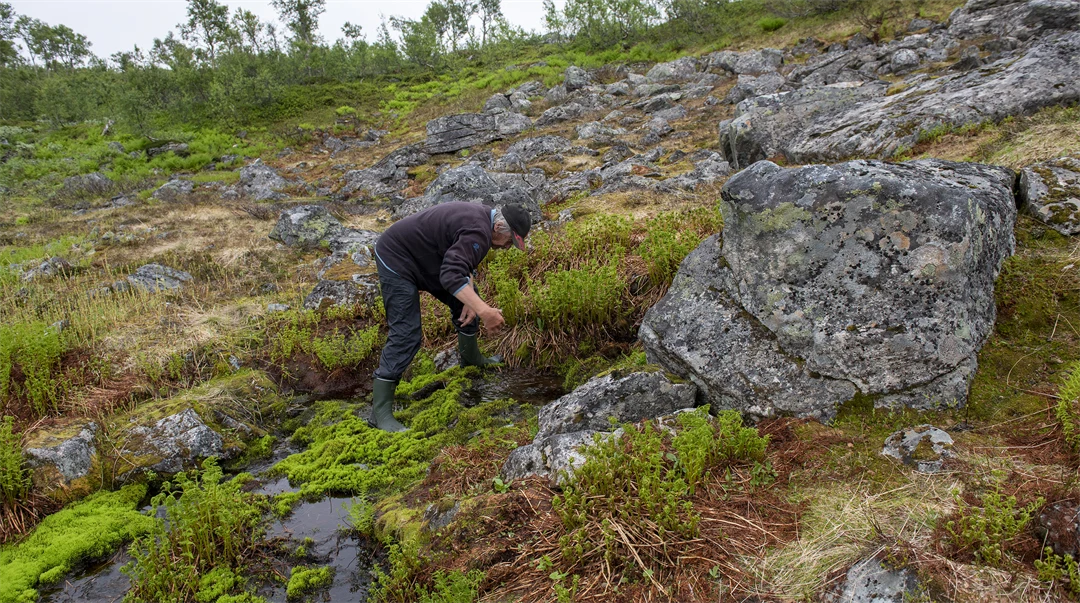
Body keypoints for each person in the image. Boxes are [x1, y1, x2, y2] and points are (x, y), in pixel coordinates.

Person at [370, 202, 532, 432]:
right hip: (396, 258)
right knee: (407, 333)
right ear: (498, 227)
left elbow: (462, 261)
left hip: (426, 257)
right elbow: (450, 275)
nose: (507, 247)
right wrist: (485, 311)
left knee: (468, 298)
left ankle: (471, 359)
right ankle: (381, 415)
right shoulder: (479, 230)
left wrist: (472, 299)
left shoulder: (485, 223)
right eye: (510, 241)